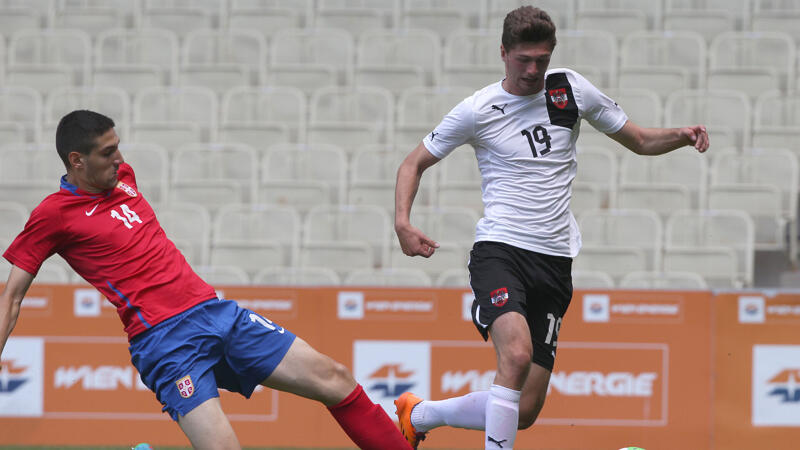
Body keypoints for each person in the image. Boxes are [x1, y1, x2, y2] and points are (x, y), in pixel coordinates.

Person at [393, 6, 709, 450]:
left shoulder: (570, 89)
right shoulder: (477, 109)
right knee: (516, 354)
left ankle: (421, 414)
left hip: (555, 261)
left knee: (524, 411)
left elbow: (637, 140)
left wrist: (680, 134)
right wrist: (403, 223)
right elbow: (414, 162)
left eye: (541, 59)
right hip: (500, 250)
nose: (532, 69)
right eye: (523, 59)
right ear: (503, 53)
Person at [0, 110, 412, 450]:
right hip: (165, 341)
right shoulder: (52, 215)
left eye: (117, 147)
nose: (118, 158)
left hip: (214, 312)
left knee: (335, 378)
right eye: (107, 153)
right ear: (77, 161)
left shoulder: (124, 176)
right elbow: (12, 298)